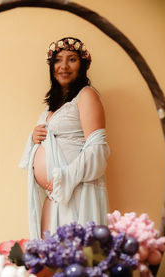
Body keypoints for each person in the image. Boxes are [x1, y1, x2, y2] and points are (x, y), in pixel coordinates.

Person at [19, 37, 110, 239]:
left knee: (76, 259)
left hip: (77, 192)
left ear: (83, 64)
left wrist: (64, 178)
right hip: (55, 196)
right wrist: (34, 138)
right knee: (50, 259)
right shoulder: (52, 105)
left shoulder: (87, 95)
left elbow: (98, 150)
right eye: (58, 60)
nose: (64, 66)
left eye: (72, 59)